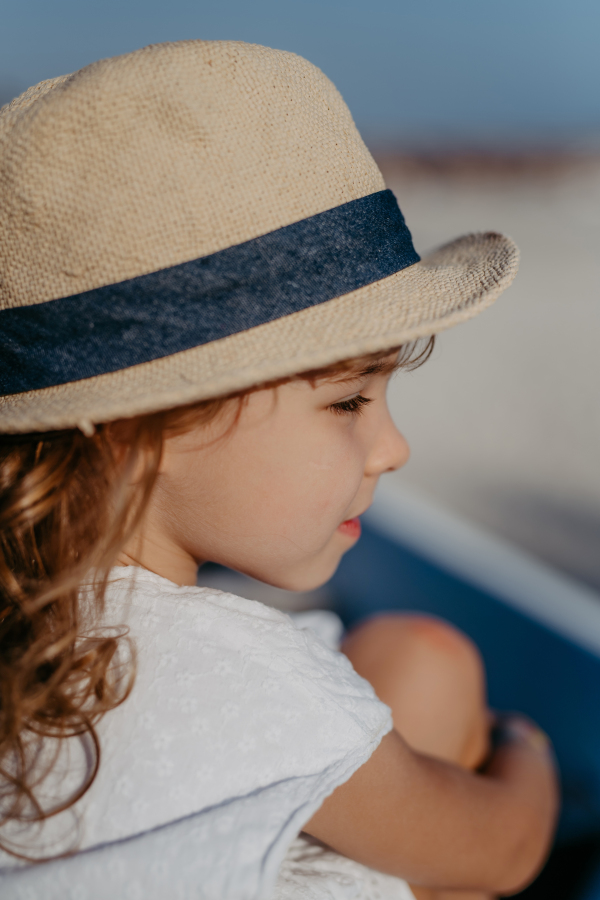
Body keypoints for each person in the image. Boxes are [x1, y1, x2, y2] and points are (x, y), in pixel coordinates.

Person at [0, 40, 558, 900]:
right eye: (347, 403)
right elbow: (500, 850)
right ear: (137, 435)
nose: (393, 448)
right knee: (438, 680)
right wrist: (527, 751)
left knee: (418, 653)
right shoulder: (246, 682)